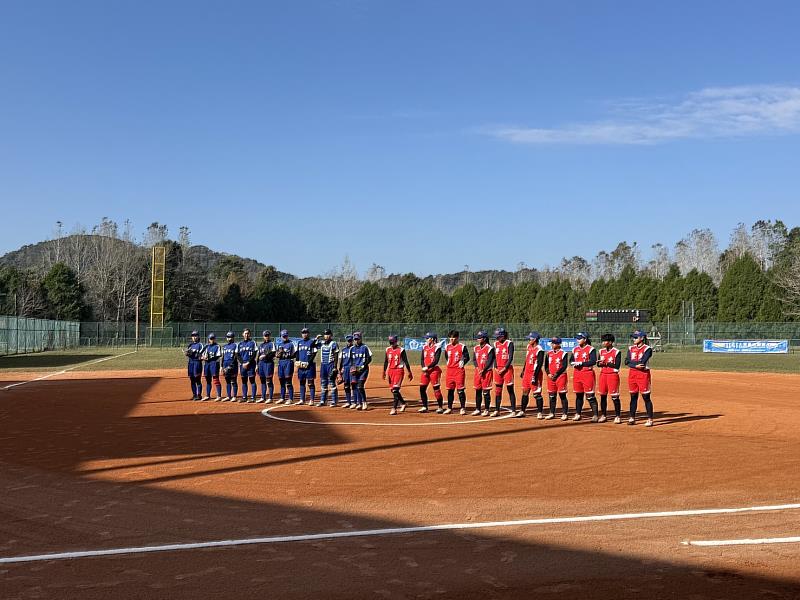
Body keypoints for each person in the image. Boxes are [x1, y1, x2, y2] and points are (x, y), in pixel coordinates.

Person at [625, 329, 654, 427]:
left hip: (643, 374)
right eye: (633, 337)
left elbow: (643, 362)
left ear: (642, 338)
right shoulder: (630, 348)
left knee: (646, 397)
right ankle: (632, 417)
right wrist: (634, 365)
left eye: (636, 337)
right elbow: (626, 361)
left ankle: (650, 419)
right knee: (633, 396)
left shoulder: (647, 349)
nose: (634, 339)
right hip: (632, 374)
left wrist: (632, 364)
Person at [571, 332, 599, 422]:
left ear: (585, 339)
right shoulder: (575, 349)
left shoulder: (591, 349)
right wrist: (572, 363)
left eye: (580, 338)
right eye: (577, 338)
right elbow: (571, 359)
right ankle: (578, 414)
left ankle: (595, 415)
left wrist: (581, 363)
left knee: (590, 395)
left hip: (587, 374)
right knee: (578, 395)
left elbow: (593, 361)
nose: (578, 340)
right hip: (577, 373)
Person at [383, 335, 413, 415]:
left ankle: (394, 408)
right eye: (390, 342)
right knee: (393, 390)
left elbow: (406, 361)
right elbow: (386, 361)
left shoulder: (401, 350)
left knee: (395, 390)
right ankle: (403, 403)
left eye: (393, 342)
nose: (391, 344)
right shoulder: (387, 349)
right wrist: (384, 371)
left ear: (396, 341)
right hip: (390, 371)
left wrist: (409, 372)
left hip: (399, 371)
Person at [597, 333, 622, 423]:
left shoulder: (616, 352)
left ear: (611, 342)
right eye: (603, 341)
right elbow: (598, 364)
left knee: (615, 397)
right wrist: (600, 363)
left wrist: (607, 363)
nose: (603, 343)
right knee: (603, 396)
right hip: (603, 375)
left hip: (613, 375)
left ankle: (618, 416)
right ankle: (603, 415)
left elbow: (617, 366)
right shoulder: (601, 351)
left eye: (605, 341)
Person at [491, 328, 516, 417]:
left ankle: (513, 410)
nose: (496, 338)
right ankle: (497, 410)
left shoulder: (509, 343)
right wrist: (496, 367)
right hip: (498, 370)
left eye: (498, 337)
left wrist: (505, 368)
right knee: (498, 390)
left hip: (507, 369)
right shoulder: (495, 344)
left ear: (502, 336)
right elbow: (494, 357)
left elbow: (510, 357)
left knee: (510, 389)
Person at [443, 330, 470, 415]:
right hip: (450, 371)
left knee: (460, 390)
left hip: (459, 371)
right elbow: (446, 356)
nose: (451, 339)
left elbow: (467, 357)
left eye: (453, 337)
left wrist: (463, 362)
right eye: (450, 337)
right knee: (450, 390)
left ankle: (462, 408)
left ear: (457, 337)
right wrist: (449, 362)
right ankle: (449, 408)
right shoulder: (447, 347)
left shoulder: (462, 346)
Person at [520, 332, 545, 418]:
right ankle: (522, 411)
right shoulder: (529, 347)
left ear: (534, 339)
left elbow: (539, 364)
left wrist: (535, 375)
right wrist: (523, 370)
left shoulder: (539, 349)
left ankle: (540, 412)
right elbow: (526, 360)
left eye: (530, 338)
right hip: (527, 373)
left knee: (536, 393)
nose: (528, 340)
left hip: (535, 373)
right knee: (525, 392)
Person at [544, 337, 569, 420]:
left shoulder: (563, 353)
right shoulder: (548, 353)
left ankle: (565, 413)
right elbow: (546, 366)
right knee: (552, 396)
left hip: (561, 376)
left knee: (562, 395)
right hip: (551, 377)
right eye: (551, 343)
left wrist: (557, 374)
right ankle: (552, 413)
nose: (551, 344)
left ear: (558, 344)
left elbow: (564, 366)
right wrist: (548, 374)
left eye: (553, 343)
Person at [472, 331, 495, 416]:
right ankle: (478, 409)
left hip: (487, 372)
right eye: (477, 337)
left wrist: (484, 369)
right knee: (478, 390)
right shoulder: (476, 348)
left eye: (480, 337)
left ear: (484, 338)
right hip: (478, 372)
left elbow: (490, 360)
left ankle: (486, 409)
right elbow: (474, 360)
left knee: (486, 392)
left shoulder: (489, 348)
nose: (478, 339)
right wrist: (478, 368)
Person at [418, 332, 443, 413]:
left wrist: (428, 367)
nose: (426, 339)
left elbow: (436, 360)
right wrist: (423, 368)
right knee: (422, 389)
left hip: (434, 370)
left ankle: (440, 407)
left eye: (427, 338)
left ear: (432, 339)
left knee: (436, 389)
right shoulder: (424, 347)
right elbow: (422, 359)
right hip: (426, 371)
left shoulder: (437, 347)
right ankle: (425, 406)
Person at [295, 328, 320, 405]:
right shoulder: (299, 342)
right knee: (302, 383)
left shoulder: (311, 342)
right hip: (301, 366)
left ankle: (312, 400)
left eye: (306, 333)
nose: (304, 334)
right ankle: (302, 399)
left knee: (310, 383)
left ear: (308, 333)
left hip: (309, 366)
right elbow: (297, 353)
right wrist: (297, 361)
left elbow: (314, 353)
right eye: (303, 333)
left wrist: (308, 362)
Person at [349, 332, 372, 410]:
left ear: (360, 339)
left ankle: (364, 402)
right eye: (355, 339)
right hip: (356, 370)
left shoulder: (365, 347)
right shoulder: (352, 348)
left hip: (363, 370)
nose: (356, 341)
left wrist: (363, 366)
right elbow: (351, 360)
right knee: (355, 386)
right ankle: (359, 403)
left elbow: (369, 359)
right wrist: (352, 367)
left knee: (360, 386)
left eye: (357, 339)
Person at [318, 329, 340, 407]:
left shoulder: (333, 344)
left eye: (328, 334)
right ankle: (323, 400)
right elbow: (312, 346)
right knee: (323, 383)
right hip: (323, 365)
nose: (326, 336)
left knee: (331, 383)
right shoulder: (322, 343)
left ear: (331, 335)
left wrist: (335, 367)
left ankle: (334, 401)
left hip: (330, 365)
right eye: (325, 334)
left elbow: (336, 355)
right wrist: (316, 339)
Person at [276, 330, 297, 404]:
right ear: (281, 337)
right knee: (281, 381)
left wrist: (286, 354)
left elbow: (295, 354)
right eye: (283, 336)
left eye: (286, 336)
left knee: (288, 381)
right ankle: (282, 398)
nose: (285, 337)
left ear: (288, 336)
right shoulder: (279, 344)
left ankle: (290, 398)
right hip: (281, 363)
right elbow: (277, 356)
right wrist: (280, 352)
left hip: (288, 362)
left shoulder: (291, 344)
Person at [237, 328, 258, 402]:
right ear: (243, 334)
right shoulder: (240, 344)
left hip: (251, 364)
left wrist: (248, 362)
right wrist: (243, 363)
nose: (246, 335)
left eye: (248, 333)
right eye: (245, 333)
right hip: (243, 365)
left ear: (250, 334)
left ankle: (253, 397)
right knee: (244, 381)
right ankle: (244, 397)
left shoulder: (253, 343)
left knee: (252, 380)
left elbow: (254, 354)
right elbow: (238, 355)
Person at [257, 330, 277, 404]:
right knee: (262, 381)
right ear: (263, 336)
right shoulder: (261, 345)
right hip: (261, 364)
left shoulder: (272, 344)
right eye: (265, 335)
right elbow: (258, 355)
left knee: (269, 380)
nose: (267, 337)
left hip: (268, 363)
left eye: (268, 335)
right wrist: (257, 365)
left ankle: (270, 398)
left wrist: (265, 355)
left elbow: (273, 353)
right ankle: (263, 397)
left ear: (270, 336)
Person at [201, 332, 222, 401]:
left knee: (216, 379)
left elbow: (218, 356)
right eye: (210, 339)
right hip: (207, 364)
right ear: (208, 339)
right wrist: (203, 357)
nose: (212, 340)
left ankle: (219, 396)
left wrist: (209, 357)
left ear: (215, 339)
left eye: (213, 338)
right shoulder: (206, 346)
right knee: (208, 380)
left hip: (214, 364)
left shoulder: (217, 346)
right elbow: (201, 354)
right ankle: (208, 395)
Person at [185, 331, 204, 401]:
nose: (194, 337)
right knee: (192, 380)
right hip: (191, 363)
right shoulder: (190, 345)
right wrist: (187, 353)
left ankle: (199, 395)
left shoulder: (200, 345)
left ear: (198, 336)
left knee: (197, 379)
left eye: (196, 335)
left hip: (197, 363)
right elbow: (188, 355)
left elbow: (202, 355)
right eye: (193, 336)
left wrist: (195, 353)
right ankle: (194, 395)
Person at [221, 331, 239, 401]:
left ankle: (234, 396)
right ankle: (228, 396)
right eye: (228, 337)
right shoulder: (224, 346)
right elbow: (223, 357)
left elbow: (236, 356)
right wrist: (221, 366)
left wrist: (231, 365)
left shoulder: (235, 345)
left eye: (231, 337)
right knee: (227, 381)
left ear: (233, 337)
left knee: (233, 381)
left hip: (233, 365)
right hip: (225, 365)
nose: (229, 338)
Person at [338, 334, 355, 408]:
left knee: (354, 385)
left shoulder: (354, 349)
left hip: (352, 368)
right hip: (345, 369)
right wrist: (340, 372)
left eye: (350, 341)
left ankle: (355, 402)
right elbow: (341, 361)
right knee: (346, 386)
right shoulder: (344, 350)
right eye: (348, 341)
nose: (349, 342)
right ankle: (348, 402)